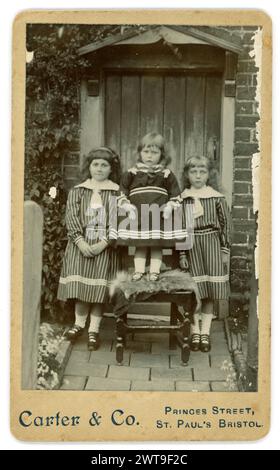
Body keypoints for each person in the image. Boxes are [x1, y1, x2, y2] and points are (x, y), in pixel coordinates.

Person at [57, 147, 121, 351]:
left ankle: (94, 330)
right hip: (80, 245)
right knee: (83, 290)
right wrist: (80, 242)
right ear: (89, 166)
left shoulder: (116, 192)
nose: (99, 169)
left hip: (104, 245)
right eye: (96, 164)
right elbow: (72, 218)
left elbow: (118, 220)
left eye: (104, 165)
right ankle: (78, 325)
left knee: (98, 290)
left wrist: (104, 242)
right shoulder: (78, 191)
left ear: (111, 169)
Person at [179, 155, 231, 352]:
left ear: (209, 175)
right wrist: (183, 254)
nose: (198, 176)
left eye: (202, 172)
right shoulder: (183, 198)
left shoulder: (216, 197)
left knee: (208, 293)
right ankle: (194, 331)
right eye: (193, 172)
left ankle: (205, 333)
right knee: (193, 292)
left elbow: (226, 225)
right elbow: (181, 227)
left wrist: (224, 250)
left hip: (211, 245)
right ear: (187, 174)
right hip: (191, 245)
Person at [117, 132, 184, 281]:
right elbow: (122, 191)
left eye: (154, 152)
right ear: (140, 153)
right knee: (140, 245)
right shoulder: (132, 173)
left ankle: (154, 271)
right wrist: (126, 206)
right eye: (146, 151)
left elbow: (175, 193)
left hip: (157, 215)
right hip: (139, 215)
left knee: (156, 245)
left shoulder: (166, 174)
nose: (149, 156)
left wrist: (169, 207)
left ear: (162, 155)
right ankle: (139, 271)